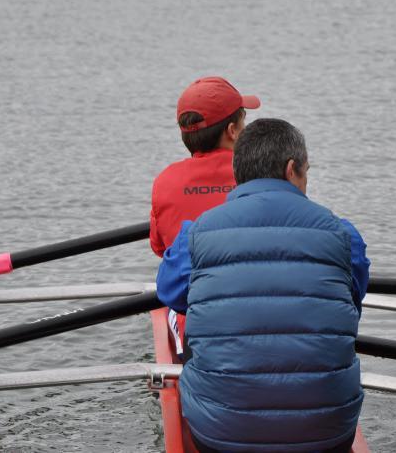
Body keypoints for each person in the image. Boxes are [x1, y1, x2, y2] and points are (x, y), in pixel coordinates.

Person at [156, 118, 370, 453]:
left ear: (238, 172)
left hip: (221, 436)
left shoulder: (195, 233)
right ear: (291, 170)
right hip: (328, 434)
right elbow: (352, 300)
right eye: (306, 171)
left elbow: (170, 294)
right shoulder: (344, 235)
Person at [150, 76, 261, 258]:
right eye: (243, 124)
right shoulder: (259, 174)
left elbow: (159, 247)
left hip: (190, 277)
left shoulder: (165, 181)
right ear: (232, 131)